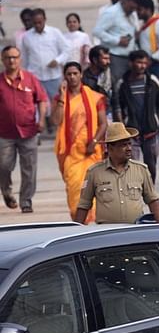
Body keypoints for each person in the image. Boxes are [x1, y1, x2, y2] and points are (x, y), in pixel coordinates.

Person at [74, 121, 159, 224]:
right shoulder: (94, 173)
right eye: (124, 145)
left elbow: (153, 201)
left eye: (129, 144)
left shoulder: (141, 170)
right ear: (110, 148)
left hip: (134, 232)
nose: (129, 148)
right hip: (107, 234)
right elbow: (84, 205)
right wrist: (77, 231)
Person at [52, 61, 107, 221]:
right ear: (64, 77)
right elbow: (56, 121)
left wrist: (95, 141)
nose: (72, 77)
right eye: (69, 74)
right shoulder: (59, 98)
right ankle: (78, 222)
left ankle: (91, 220)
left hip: (90, 151)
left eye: (75, 73)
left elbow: (103, 123)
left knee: (93, 187)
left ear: (81, 75)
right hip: (70, 153)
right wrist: (62, 98)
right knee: (74, 189)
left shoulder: (95, 97)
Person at [0, 44, 49, 212]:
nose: (11, 60)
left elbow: (42, 99)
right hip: (5, 133)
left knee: (29, 168)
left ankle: (26, 201)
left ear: (20, 59)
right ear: (3, 60)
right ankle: (6, 192)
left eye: (14, 57)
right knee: (4, 166)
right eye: (8, 57)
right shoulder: (0, 80)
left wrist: (41, 119)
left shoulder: (30, 78)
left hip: (28, 131)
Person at [111, 49, 159, 181]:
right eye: (139, 62)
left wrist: (158, 122)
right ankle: (135, 196)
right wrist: (122, 127)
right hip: (131, 134)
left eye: (144, 62)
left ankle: (150, 195)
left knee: (151, 168)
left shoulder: (153, 81)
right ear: (131, 63)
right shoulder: (122, 84)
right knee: (132, 167)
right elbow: (117, 106)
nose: (142, 66)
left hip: (151, 133)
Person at [18, 8, 69, 104]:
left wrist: (57, 61)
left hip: (53, 76)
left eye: (40, 22)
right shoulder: (26, 36)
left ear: (45, 19)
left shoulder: (55, 32)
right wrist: (24, 75)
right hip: (35, 76)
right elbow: (24, 58)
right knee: (37, 104)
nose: (37, 25)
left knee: (57, 102)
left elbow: (66, 49)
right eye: (35, 23)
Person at [93, 0, 138, 85]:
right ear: (125, 1)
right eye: (131, 7)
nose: (133, 10)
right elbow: (97, 31)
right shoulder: (111, 13)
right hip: (115, 57)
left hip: (129, 57)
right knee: (115, 86)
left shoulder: (131, 14)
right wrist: (117, 41)